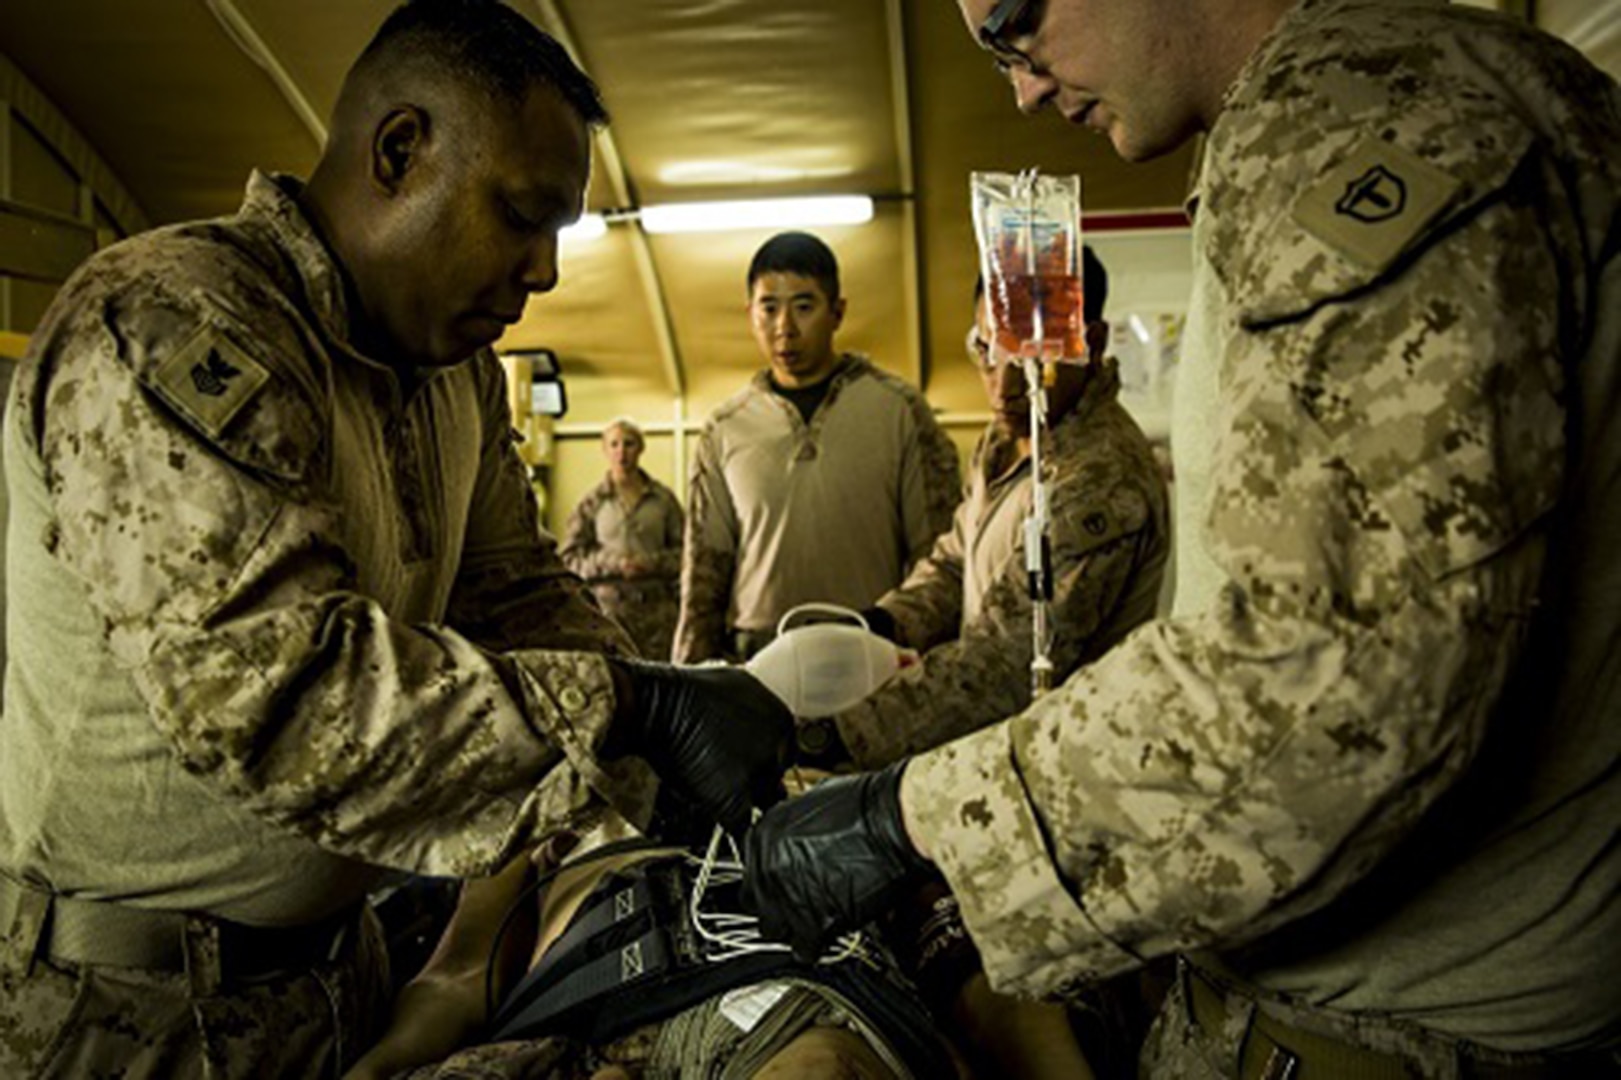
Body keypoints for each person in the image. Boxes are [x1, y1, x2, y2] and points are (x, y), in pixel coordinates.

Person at [744, 0, 1621, 1076]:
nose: (1019, 85)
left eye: (1015, 21)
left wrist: (901, 817)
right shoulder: (1366, 105)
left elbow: (1329, 678)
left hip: (1391, 1017)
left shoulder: (1351, 110)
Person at [0, 2, 790, 1076]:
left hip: (336, 981)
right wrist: (636, 708)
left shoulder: (452, 376)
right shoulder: (173, 325)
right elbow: (277, 698)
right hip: (124, 1015)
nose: (546, 270)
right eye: (521, 215)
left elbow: (518, 600)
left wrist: (661, 747)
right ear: (399, 151)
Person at [807, 246, 1168, 772]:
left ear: (1090, 343)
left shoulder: (1098, 478)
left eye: (1031, 357)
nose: (1003, 384)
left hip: (1070, 772)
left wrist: (833, 734)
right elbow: (956, 561)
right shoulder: (1008, 439)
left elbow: (1005, 662)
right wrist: (881, 625)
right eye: (987, 348)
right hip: (1001, 758)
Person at [672, 231, 962, 664]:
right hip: (754, 655)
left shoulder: (900, 410)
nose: (784, 328)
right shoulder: (725, 429)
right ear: (749, 313)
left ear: (838, 312)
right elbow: (704, 578)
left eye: (804, 307)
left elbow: (938, 553)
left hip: (867, 648)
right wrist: (689, 681)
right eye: (769, 308)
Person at [560, 417, 685, 660]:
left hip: (657, 617)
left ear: (641, 448)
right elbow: (570, 558)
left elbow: (687, 554)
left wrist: (651, 563)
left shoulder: (663, 500)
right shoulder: (593, 502)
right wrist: (614, 564)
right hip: (609, 614)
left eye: (629, 444)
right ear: (604, 450)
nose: (621, 452)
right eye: (614, 444)